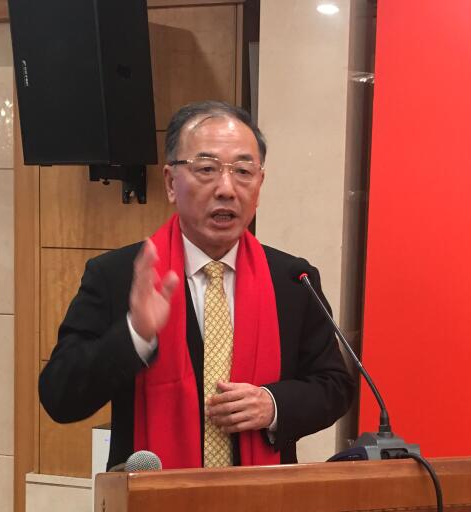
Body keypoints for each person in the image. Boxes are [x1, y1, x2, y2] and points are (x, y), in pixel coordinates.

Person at [39, 101, 355, 470]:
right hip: (152, 500)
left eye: (243, 171)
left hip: (263, 499)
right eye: (206, 169)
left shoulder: (292, 279)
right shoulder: (118, 276)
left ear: (259, 184)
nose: (227, 189)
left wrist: (273, 405)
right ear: (171, 183)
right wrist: (134, 335)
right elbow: (59, 397)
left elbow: (335, 386)